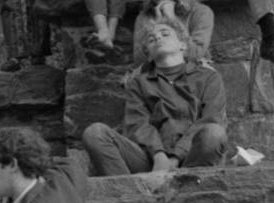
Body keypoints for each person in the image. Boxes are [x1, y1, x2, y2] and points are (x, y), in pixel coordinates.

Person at [83, 18, 227, 175]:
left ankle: (185, 184)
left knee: (214, 133)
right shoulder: (139, 82)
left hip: (193, 156)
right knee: (95, 133)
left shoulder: (208, 77)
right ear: (149, 55)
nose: (158, 37)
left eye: (165, 34)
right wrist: (159, 155)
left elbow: (211, 118)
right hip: (150, 161)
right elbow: (137, 124)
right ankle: (131, 189)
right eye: (151, 39)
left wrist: (176, 157)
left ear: (183, 45)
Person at [132, 0, 213, 65]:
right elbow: (139, 60)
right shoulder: (144, 16)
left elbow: (196, 53)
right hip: (157, 72)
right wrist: (155, 28)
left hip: (192, 71)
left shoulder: (201, 12)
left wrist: (172, 20)